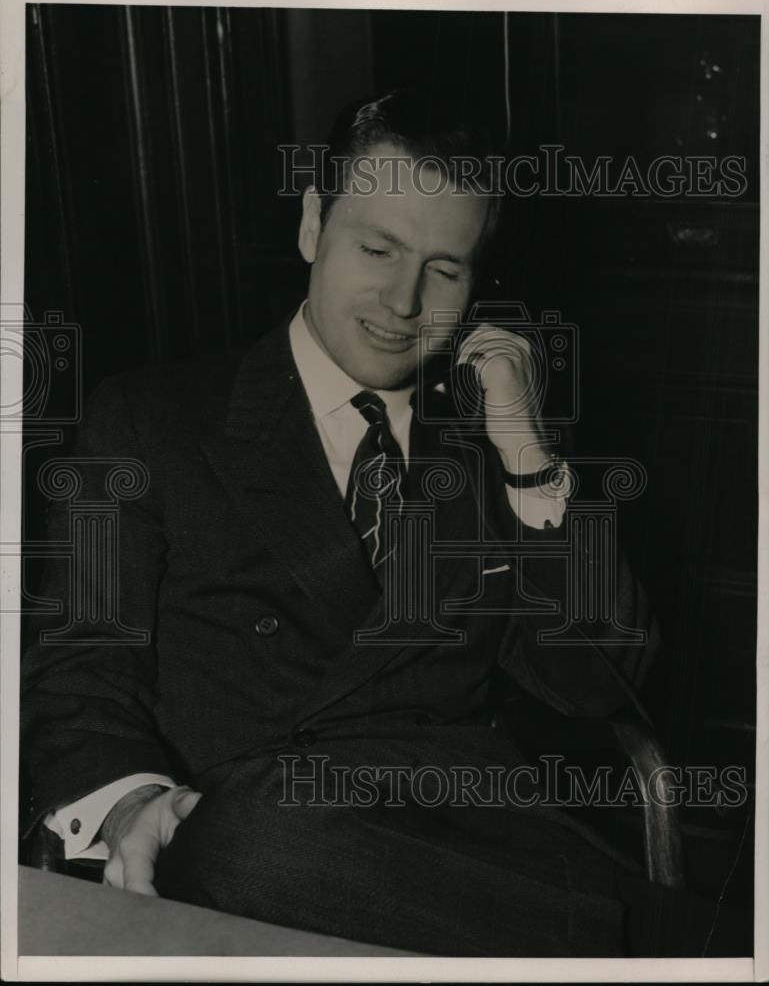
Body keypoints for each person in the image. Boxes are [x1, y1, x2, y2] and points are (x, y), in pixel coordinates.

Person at [20, 90, 732, 957]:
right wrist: (130, 802)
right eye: (378, 247)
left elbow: (601, 686)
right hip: (252, 861)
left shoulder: (497, 440)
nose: (403, 301)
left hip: (477, 848)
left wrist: (527, 456)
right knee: (244, 837)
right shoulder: (147, 419)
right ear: (313, 225)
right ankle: (655, 948)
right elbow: (79, 672)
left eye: (445, 268)